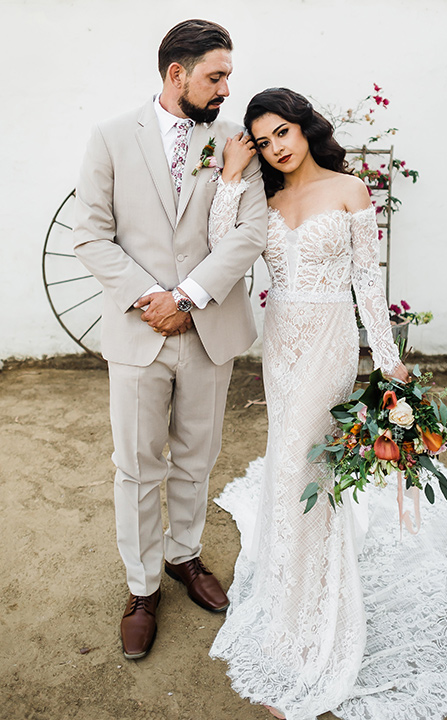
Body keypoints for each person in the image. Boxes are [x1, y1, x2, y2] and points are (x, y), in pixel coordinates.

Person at [207, 88, 447, 720]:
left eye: (283, 132)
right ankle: (290, 592)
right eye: (263, 139)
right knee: (289, 460)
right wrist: (228, 177)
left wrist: (387, 360)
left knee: (306, 462)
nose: (276, 147)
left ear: (304, 128)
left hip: (330, 342)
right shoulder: (262, 198)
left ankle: (310, 629)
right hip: (282, 344)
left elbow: (365, 283)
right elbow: (224, 253)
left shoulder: (350, 190)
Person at [73, 19, 267, 661]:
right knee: (135, 464)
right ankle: (141, 586)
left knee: (197, 455)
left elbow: (249, 232)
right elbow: (91, 234)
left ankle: (185, 556)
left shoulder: (237, 141)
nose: (226, 88)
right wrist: (149, 298)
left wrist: (188, 297)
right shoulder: (108, 138)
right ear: (176, 73)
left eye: (228, 76)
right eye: (216, 76)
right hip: (137, 329)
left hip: (207, 326)